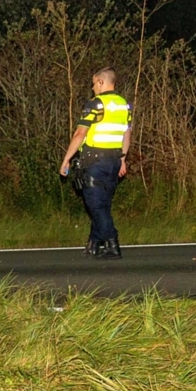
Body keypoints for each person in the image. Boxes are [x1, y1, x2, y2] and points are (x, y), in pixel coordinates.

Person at [60, 67, 132, 259]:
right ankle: (93, 244)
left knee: (96, 206)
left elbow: (80, 134)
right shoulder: (124, 105)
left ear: (100, 82)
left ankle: (112, 244)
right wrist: (123, 160)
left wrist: (66, 159)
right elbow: (126, 133)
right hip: (114, 161)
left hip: (95, 162)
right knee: (102, 204)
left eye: (93, 83)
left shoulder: (95, 104)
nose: (92, 88)